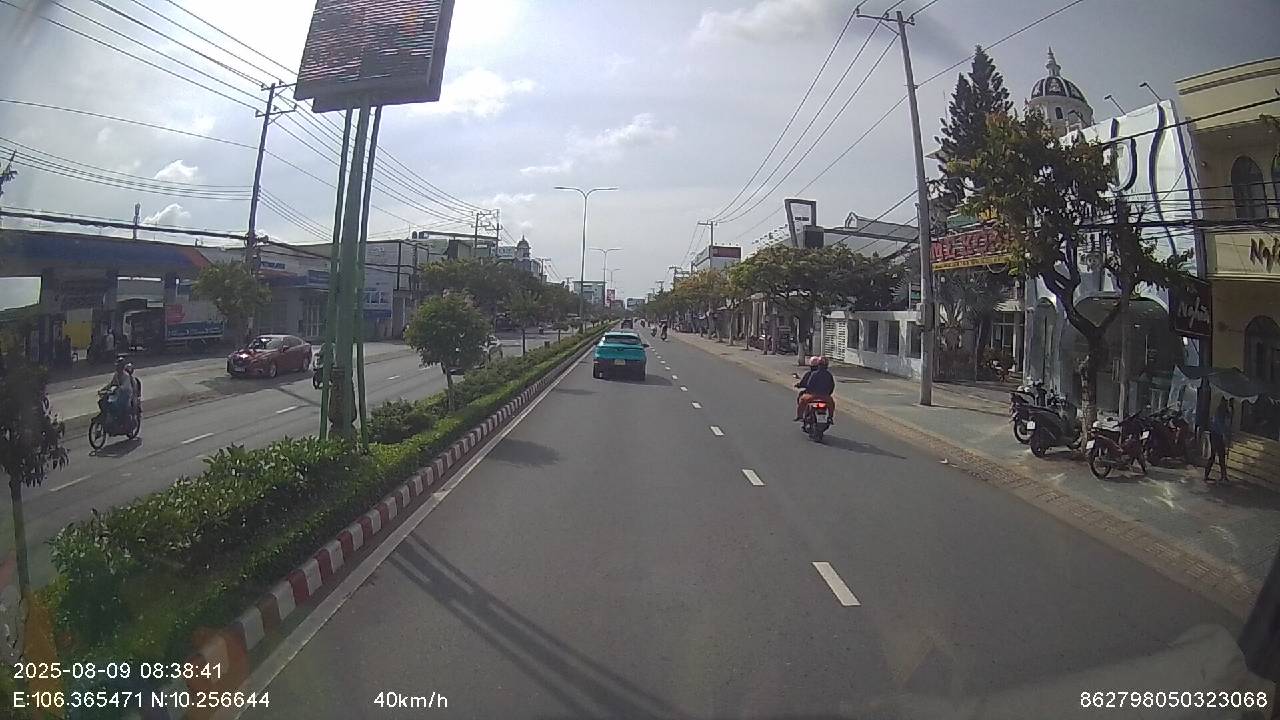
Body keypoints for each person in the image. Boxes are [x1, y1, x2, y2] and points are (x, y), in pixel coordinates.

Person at [795, 355, 836, 422]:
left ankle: (800, 416)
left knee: (802, 400)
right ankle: (830, 417)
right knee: (831, 404)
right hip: (825, 396)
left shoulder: (814, 374)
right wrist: (828, 394)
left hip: (813, 396)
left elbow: (809, 385)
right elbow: (832, 386)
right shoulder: (829, 374)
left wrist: (810, 392)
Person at [1205, 396, 1233, 484]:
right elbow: (1221, 424)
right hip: (1216, 435)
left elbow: (1227, 422)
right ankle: (1218, 476)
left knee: (1220, 456)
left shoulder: (1225, 411)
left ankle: (1222, 476)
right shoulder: (1220, 411)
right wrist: (1224, 434)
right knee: (1217, 455)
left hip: (1217, 435)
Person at [100, 355, 134, 424]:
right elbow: (111, 383)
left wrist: (117, 389)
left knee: (115, 405)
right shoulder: (116, 375)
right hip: (117, 394)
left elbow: (124, 387)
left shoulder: (126, 376)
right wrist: (103, 389)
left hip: (125, 395)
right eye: (117, 366)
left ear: (122, 367)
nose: (117, 368)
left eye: (119, 366)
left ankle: (119, 421)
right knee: (107, 402)